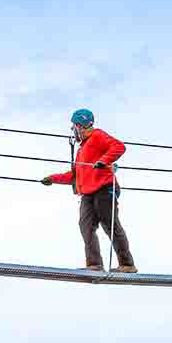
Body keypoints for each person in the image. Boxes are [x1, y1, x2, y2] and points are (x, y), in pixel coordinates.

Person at [44, 107, 136, 272]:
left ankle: (127, 264)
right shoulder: (81, 150)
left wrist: (104, 160)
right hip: (87, 192)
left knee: (110, 224)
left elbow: (118, 146)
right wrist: (53, 178)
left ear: (81, 125)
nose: (73, 130)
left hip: (104, 188)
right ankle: (94, 264)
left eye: (74, 126)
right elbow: (75, 175)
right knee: (85, 225)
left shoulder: (97, 136)